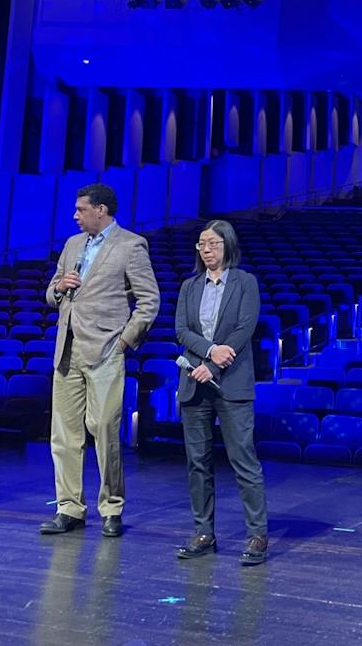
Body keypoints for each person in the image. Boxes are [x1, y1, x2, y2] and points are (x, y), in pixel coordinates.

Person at [39, 183, 159, 537]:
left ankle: (112, 507)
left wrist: (124, 341)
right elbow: (51, 292)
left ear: (101, 210)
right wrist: (59, 288)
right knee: (63, 435)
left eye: (81, 210)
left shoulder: (130, 245)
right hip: (68, 349)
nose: (75, 216)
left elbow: (149, 300)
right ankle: (69, 508)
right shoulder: (72, 245)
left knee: (105, 429)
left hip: (106, 350)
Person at [174, 219, 269, 565]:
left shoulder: (245, 283)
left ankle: (257, 534)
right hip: (194, 384)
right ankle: (203, 531)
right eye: (201, 244)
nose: (207, 250)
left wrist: (213, 364)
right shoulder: (190, 286)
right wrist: (210, 351)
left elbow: (245, 328)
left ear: (227, 245)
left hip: (231, 384)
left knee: (243, 459)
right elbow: (181, 330)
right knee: (197, 463)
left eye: (213, 243)